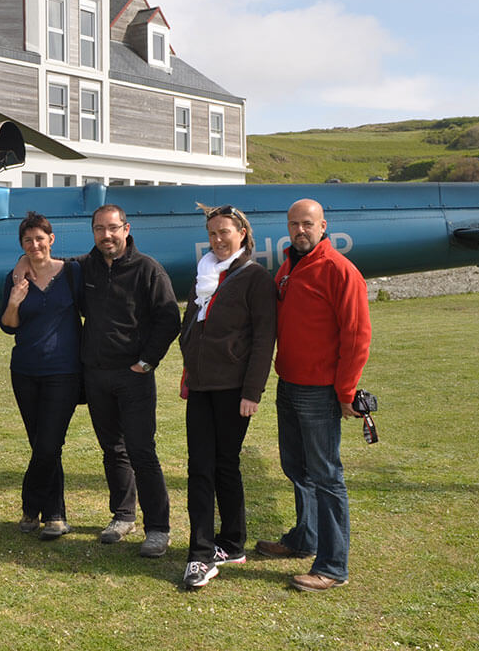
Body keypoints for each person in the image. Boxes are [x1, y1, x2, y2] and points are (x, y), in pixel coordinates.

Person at [46, 203, 181, 558]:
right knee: (113, 450)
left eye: (112, 228)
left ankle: (158, 529)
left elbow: (169, 318)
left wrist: (147, 362)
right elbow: (47, 264)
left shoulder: (148, 270)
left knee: (141, 450)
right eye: (99, 229)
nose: (106, 235)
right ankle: (123, 516)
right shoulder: (83, 268)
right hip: (96, 374)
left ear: (126, 229)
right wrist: (21, 265)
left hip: (134, 376)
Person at [255, 198, 371, 592]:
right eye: (293, 224)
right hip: (289, 383)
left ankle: (333, 567)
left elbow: (357, 337)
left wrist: (346, 392)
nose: (299, 230)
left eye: (307, 224)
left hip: (319, 391)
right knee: (297, 469)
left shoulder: (340, 271)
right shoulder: (289, 267)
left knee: (326, 477)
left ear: (324, 226)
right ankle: (305, 538)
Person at [178, 205, 277, 590]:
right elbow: (192, 324)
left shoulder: (254, 278)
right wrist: (189, 365)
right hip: (201, 385)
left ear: (242, 234)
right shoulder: (205, 273)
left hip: (234, 389)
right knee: (206, 466)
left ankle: (200, 556)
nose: (218, 240)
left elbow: (263, 339)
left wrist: (252, 392)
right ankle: (230, 544)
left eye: (225, 233)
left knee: (220, 464)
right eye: (213, 234)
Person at [0, 212, 82, 541]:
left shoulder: (72, 272)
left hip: (63, 372)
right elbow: (8, 325)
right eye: (27, 241)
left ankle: (30, 505)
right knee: (41, 444)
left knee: (49, 444)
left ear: (51, 239)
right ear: (22, 245)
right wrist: (14, 301)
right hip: (25, 372)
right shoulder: (16, 278)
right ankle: (54, 516)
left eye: (39, 238)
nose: (35, 245)